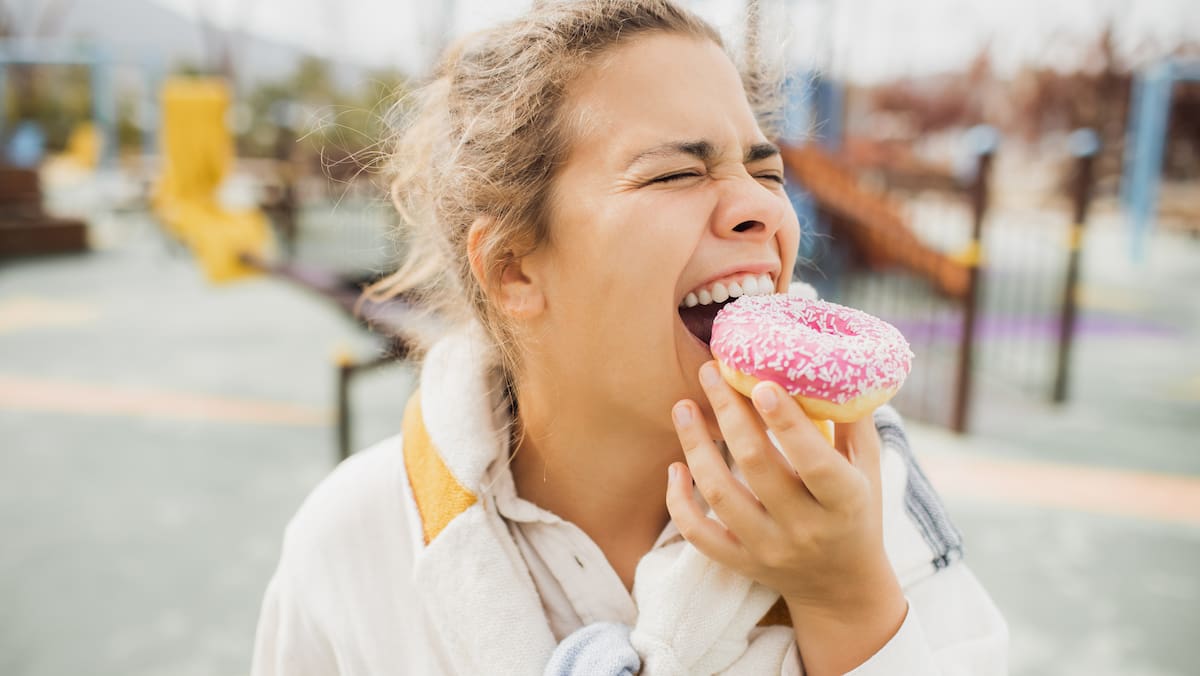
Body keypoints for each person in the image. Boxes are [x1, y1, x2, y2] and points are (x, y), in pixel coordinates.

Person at [251, 1, 1008, 674]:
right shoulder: (356, 544)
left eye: (766, 172)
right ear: (514, 269)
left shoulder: (863, 496)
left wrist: (845, 598)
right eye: (676, 174)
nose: (762, 209)